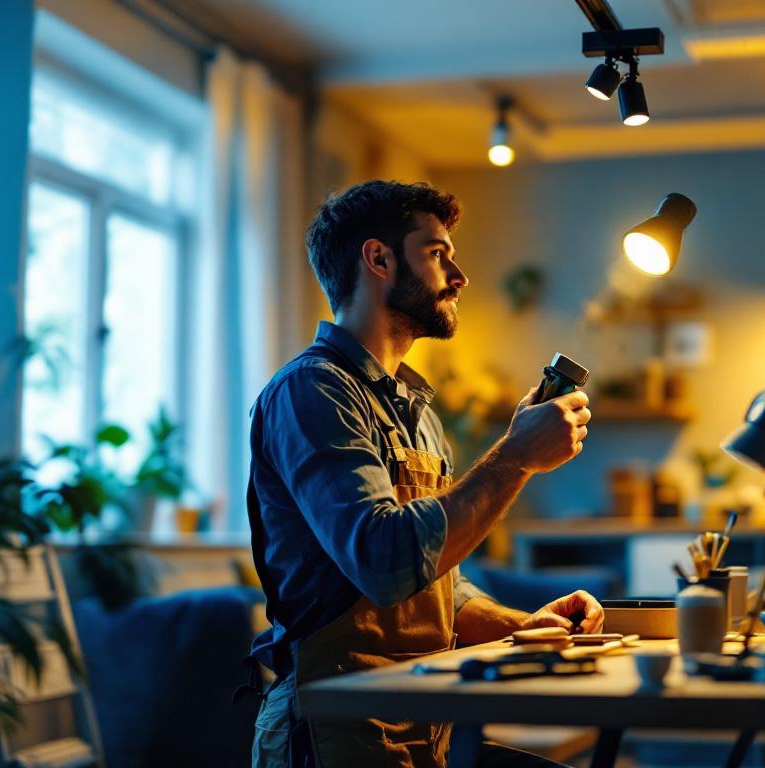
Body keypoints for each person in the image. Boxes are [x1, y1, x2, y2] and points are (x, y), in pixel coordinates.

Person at [245, 180, 601, 768]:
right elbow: (383, 562)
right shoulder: (312, 391)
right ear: (378, 259)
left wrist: (526, 625)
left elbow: (438, 590)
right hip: (332, 732)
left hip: (419, 725)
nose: (459, 276)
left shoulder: (418, 413)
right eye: (437, 254)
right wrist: (515, 456)